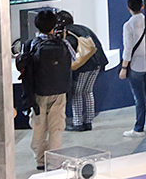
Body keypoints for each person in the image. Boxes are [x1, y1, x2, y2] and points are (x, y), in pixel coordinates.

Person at [18, 10, 73, 170]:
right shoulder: (64, 43)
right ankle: (55, 162)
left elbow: (22, 65)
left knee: (38, 126)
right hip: (59, 91)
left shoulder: (30, 44)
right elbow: (73, 60)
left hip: (37, 92)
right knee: (56, 127)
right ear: (54, 25)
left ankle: (40, 160)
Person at [58, 11, 108, 132]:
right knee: (88, 92)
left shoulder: (69, 33)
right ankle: (88, 121)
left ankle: (78, 123)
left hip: (83, 66)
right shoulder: (83, 28)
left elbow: (69, 52)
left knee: (77, 93)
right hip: (97, 63)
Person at [119, 0, 146, 137]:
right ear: (142, 7)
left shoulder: (128, 25)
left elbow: (128, 48)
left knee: (139, 98)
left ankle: (138, 128)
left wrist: (124, 67)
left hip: (135, 65)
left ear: (128, 8)